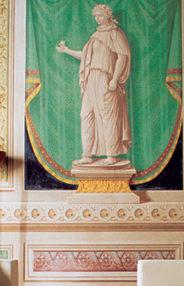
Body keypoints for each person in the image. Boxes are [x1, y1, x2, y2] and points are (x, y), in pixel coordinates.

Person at [56, 4, 131, 166]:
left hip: (105, 78)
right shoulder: (95, 35)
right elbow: (85, 56)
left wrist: (114, 79)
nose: (98, 19)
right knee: (86, 114)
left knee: (108, 116)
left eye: (101, 15)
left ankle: (111, 155)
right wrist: (66, 50)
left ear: (108, 16)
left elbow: (122, 56)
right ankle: (87, 155)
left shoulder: (115, 34)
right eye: (96, 16)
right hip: (91, 78)